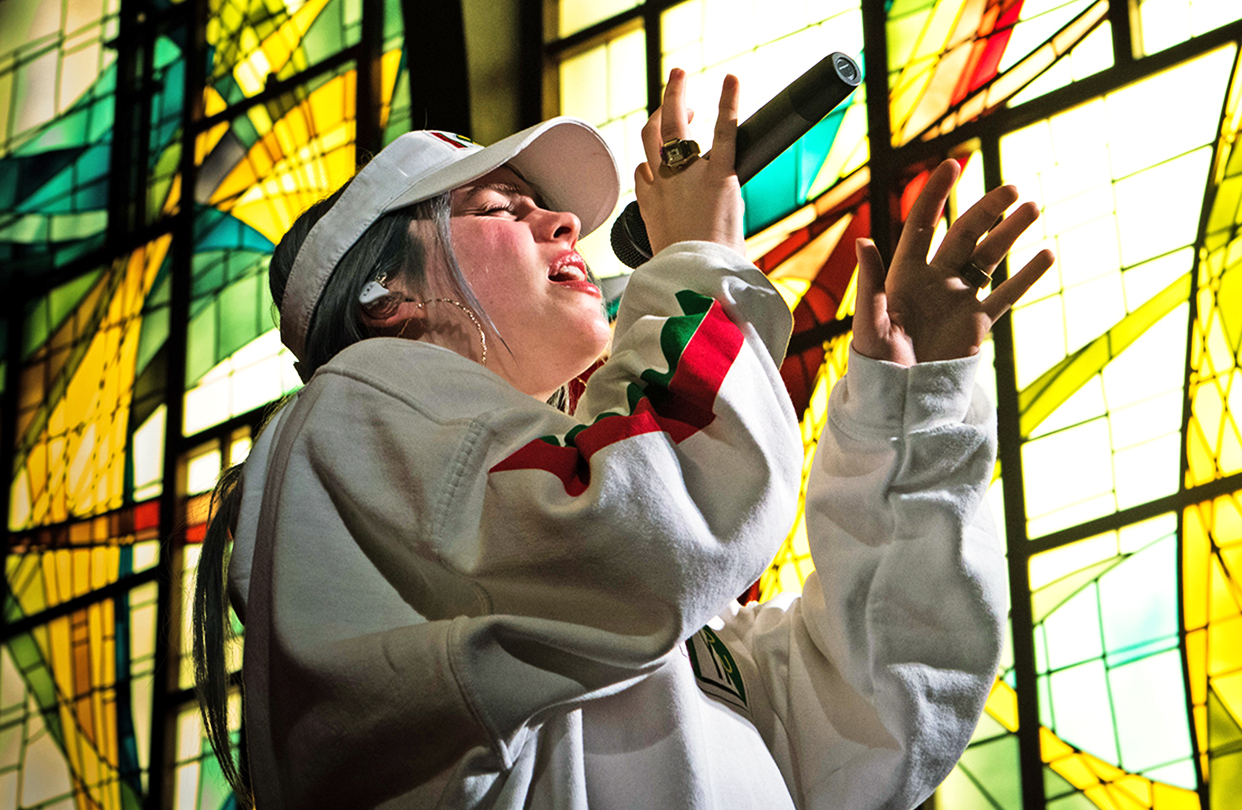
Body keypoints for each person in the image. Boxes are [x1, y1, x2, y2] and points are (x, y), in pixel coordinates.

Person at [191, 68, 1055, 809]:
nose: (564, 224)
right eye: (502, 207)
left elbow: (871, 727)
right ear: (387, 297)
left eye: (550, 209)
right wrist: (701, 259)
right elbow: (645, 524)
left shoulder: (569, 564)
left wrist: (915, 398)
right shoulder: (350, 412)